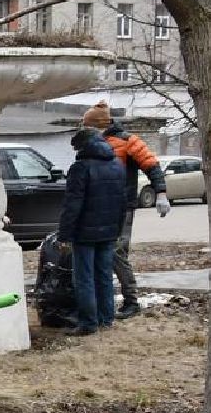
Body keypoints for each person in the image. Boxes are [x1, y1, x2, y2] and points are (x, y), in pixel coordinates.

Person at [82, 99, 168, 318]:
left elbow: (152, 165)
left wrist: (161, 193)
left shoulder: (128, 141)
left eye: (88, 125)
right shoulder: (91, 141)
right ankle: (104, 302)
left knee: (116, 251)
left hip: (122, 205)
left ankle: (131, 301)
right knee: (102, 252)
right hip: (98, 206)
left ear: (100, 124)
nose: (85, 128)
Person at [57, 128, 128, 336]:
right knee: (104, 275)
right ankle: (106, 319)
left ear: (82, 146)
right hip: (108, 231)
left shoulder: (80, 168)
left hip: (84, 233)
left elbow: (72, 205)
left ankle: (88, 323)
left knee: (84, 278)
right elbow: (122, 202)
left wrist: (64, 235)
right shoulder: (117, 165)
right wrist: (117, 230)